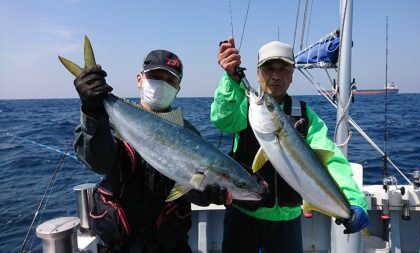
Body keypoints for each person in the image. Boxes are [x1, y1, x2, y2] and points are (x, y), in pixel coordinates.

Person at [211, 37, 369, 253]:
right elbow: (223, 119)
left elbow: (331, 159)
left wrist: (353, 200)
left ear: (292, 74)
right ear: (257, 74)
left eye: (283, 68)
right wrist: (230, 78)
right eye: (268, 68)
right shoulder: (245, 106)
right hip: (243, 217)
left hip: (287, 221)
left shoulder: (305, 116)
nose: (275, 75)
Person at [73, 49, 228, 253]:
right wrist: (92, 112)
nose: (161, 84)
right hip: (119, 246)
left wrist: (207, 193)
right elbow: (97, 162)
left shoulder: (188, 133)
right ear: (139, 79)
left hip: (169, 246)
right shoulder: (109, 120)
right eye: (154, 76)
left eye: (169, 80)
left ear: (177, 88)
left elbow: (189, 190)